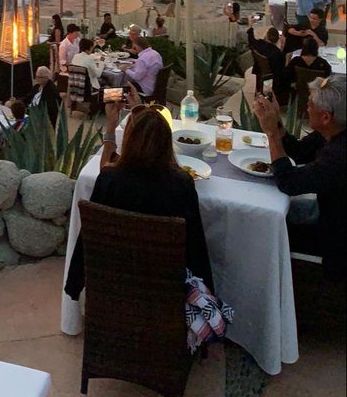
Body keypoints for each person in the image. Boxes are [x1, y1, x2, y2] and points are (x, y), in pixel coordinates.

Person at [64, 100, 213, 301]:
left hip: (114, 290)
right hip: (165, 295)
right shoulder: (181, 185)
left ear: (128, 141)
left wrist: (75, 284)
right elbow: (196, 248)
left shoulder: (110, 180)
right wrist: (207, 292)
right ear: (167, 144)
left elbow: (86, 240)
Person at [253, 76, 346, 280]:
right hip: (325, 213)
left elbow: (289, 182)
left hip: (335, 240)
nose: (306, 107)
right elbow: (300, 152)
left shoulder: (339, 155)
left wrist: (272, 135)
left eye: (311, 103)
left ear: (326, 117)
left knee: (262, 229)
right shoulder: (332, 132)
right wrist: (275, 121)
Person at [247, 19, 289, 101]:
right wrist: (283, 48)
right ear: (278, 39)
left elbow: (251, 39)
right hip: (274, 77)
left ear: (266, 36)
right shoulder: (278, 54)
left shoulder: (259, 44)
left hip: (260, 71)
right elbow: (282, 69)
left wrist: (250, 25)